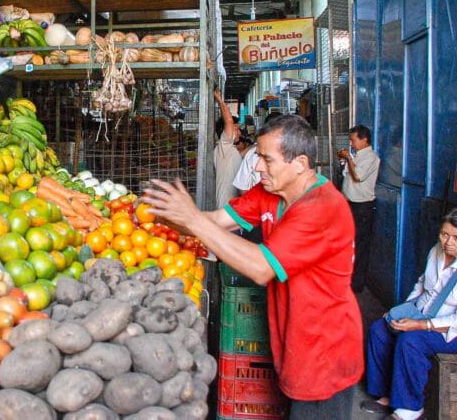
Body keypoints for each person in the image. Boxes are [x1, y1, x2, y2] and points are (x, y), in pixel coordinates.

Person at [143, 114, 363, 418]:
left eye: (267, 159)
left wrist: (191, 217)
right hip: (293, 338)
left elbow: (261, 267)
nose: (258, 166)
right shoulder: (270, 191)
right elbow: (218, 221)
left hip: (324, 351)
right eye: (258, 156)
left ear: (299, 163)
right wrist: (162, 215)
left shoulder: (321, 208)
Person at [362, 209, 457, 420]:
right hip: (423, 313)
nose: (448, 242)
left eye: (456, 237)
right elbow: (422, 284)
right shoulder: (436, 252)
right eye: (444, 234)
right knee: (380, 329)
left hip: (450, 329)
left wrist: (421, 325)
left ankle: (410, 408)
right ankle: (386, 394)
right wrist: (402, 310)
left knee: (411, 340)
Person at [338, 124, 380, 293]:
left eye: (353, 140)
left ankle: (357, 285)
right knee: (348, 243)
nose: (351, 143)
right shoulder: (356, 156)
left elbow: (358, 176)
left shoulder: (371, 158)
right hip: (349, 204)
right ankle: (347, 278)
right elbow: (346, 176)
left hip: (362, 207)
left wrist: (348, 158)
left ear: (364, 140)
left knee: (360, 245)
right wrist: (346, 159)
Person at [213, 88, 241, 208]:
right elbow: (228, 121)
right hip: (225, 208)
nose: (239, 132)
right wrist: (220, 100)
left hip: (233, 208)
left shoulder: (230, 149)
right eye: (236, 128)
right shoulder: (224, 144)